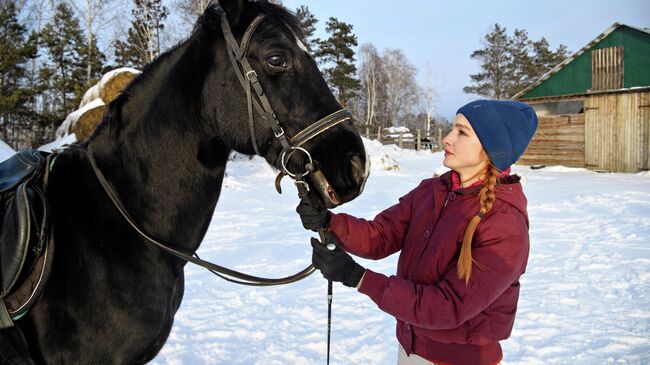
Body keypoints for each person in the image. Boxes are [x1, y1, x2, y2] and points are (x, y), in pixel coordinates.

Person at [296, 100, 538, 365]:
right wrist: (330, 222)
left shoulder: (504, 224)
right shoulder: (432, 191)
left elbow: (448, 306)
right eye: (451, 129)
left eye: (461, 132)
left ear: (492, 149)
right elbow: (381, 235)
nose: (447, 139)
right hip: (411, 349)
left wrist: (358, 277)